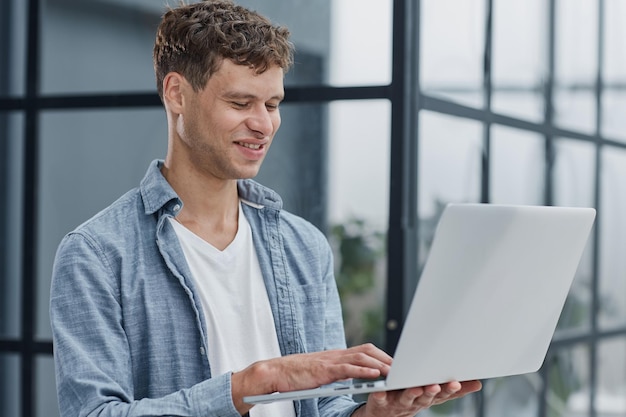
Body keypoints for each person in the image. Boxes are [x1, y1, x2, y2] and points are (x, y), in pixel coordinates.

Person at [50, 1, 482, 416]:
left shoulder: (304, 246)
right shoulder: (97, 254)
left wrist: (375, 413)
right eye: (240, 103)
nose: (263, 124)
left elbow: (324, 407)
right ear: (177, 94)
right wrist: (253, 383)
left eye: (272, 105)